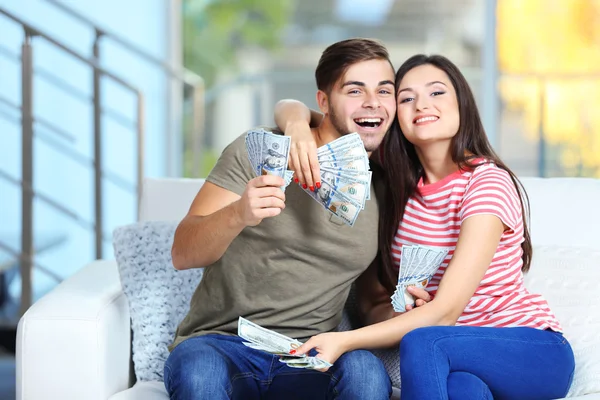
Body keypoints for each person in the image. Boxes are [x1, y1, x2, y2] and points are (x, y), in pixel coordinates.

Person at [274, 55, 575, 400]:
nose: (422, 105)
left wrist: (342, 341)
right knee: (461, 391)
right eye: (406, 98)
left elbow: (445, 312)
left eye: (437, 93)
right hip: (458, 363)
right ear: (395, 115)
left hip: (531, 351)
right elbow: (294, 109)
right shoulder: (396, 185)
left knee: (421, 340)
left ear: (462, 103)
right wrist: (297, 129)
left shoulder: (486, 182)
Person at [164, 38, 423, 400]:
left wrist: (405, 315)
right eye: (355, 90)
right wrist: (240, 213)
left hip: (310, 354)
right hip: (221, 345)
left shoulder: (383, 185)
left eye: (384, 90)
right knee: (198, 371)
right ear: (323, 101)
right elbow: (182, 252)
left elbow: (368, 302)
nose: (373, 102)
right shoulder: (258, 151)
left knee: (366, 372)